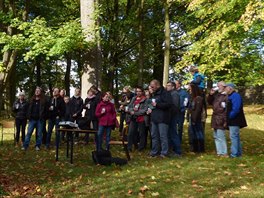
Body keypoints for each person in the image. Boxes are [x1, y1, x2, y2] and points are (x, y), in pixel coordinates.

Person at [148, 80, 172, 158]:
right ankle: (154, 151)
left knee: (163, 136)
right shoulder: (153, 94)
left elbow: (168, 104)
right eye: (150, 86)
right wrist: (150, 107)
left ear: (157, 85)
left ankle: (164, 152)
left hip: (163, 118)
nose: (151, 88)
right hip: (154, 117)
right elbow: (151, 104)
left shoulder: (165, 93)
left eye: (152, 86)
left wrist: (157, 104)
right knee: (154, 135)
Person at [225, 83, 247, 158]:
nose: (225, 89)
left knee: (233, 136)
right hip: (233, 119)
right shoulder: (231, 96)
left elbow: (236, 109)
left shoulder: (235, 96)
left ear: (230, 88)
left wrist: (229, 116)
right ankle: (238, 153)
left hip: (235, 120)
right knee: (235, 136)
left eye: (226, 87)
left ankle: (234, 154)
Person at [207, 81, 228, 157]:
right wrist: (211, 95)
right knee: (216, 136)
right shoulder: (217, 95)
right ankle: (219, 152)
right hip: (215, 117)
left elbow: (226, 109)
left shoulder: (226, 96)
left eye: (219, 86)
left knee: (221, 135)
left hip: (221, 117)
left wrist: (225, 120)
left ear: (223, 86)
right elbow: (209, 102)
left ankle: (224, 152)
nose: (218, 87)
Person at [127, 86, 148, 152]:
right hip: (133, 118)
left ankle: (141, 147)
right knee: (130, 133)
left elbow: (144, 110)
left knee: (141, 133)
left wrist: (135, 113)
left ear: (142, 92)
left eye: (139, 91)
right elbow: (129, 106)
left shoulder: (145, 99)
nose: (138, 93)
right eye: (137, 91)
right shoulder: (134, 98)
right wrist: (131, 111)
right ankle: (129, 146)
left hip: (141, 119)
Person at [187, 84, 205, 153]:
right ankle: (195, 148)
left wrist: (194, 119)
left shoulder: (198, 99)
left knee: (199, 133)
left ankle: (200, 149)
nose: (189, 91)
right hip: (193, 118)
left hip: (197, 119)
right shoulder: (192, 98)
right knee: (194, 133)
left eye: (190, 89)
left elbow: (197, 110)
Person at [166, 81, 181, 157]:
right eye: (167, 85)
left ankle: (177, 151)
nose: (167, 87)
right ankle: (171, 150)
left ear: (173, 87)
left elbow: (175, 106)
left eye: (169, 85)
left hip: (173, 116)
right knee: (170, 134)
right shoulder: (169, 94)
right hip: (169, 116)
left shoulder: (174, 94)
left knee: (173, 133)